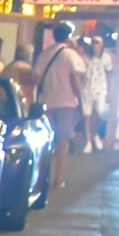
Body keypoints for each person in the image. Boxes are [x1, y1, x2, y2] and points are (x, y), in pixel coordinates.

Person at [34, 21, 89, 153]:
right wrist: (80, 101)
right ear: (68, 36)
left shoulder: (45, 54)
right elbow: (75, 79)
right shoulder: (71, 55)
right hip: (67, 101)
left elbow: (36, 79)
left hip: (47, 100)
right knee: (63, 140)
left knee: (48, 137)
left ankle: (46, 168)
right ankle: (59, 173)